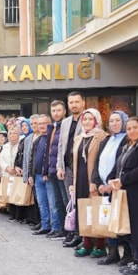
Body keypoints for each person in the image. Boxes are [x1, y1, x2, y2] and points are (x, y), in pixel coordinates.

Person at [108, 117, 138, 275]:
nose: (132, 131)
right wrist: (111, 178)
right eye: (129, 129)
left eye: (135, 127)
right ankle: (136, 260)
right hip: (126, 193)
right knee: (132, 227)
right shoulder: (127, 146)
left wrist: (122, 180)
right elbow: (117, 166)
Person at [91, 111, 129, 265]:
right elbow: (97, 162)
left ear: (124, 121)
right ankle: (112, 252)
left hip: (117, 187)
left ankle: (128, 254)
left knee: (121, 221)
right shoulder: (106, 140)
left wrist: (110, 184)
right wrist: (97, 182)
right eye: (112, 121)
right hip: (103, 187)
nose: (114, 123)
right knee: (107, 220)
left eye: (117, 120)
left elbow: (120, 164)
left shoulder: (127, 139)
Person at [70, 108, 107, 257]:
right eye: (84, 119)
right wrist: (73, 182)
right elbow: (75, 162)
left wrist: (94, 181)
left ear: (96, 120)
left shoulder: (102, 136)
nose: (87, 122)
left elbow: (100, 161)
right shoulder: (79, 137)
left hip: (93, 179)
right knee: (84, 210)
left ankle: (100, 245)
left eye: (90, 119)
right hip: (79, 179)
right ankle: (86, 243)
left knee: (96, 210)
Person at [58, 92, 85, 247]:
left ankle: (82, 235)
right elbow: (61, 145)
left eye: (77, 102)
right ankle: (73, 232)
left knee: (81, 201)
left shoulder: (88, 120)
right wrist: (59, 166)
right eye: (71, 102)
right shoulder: (66, 122)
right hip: (67, 168)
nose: (74, 105)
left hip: (81, 169)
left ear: (83, 103)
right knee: (70, 202)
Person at [46, 101, 68, 240]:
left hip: (63, 170)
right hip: (53, 170)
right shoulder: (53, 127)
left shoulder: (66, 126)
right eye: (53, 111)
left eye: (58, 110)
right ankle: (61, 230)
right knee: (58, 203)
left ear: (64, 111)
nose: (56, 113)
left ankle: (70, 231)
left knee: (67, 202)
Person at [29, 115, 54, 235]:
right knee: (42, 203)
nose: (42, 126)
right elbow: (31, 159)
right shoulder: (38, 140)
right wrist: (30, 174)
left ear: (50, 123)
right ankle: (45, 225)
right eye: (40, 124)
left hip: (49, 176)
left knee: (53, 204)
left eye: (44, 123)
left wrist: (48, 172)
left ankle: (56, 228)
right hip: (37, 176)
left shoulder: (54, 138)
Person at [0, 127, 23, 220]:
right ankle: (12, 213)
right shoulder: (5, 146)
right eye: (11, 133)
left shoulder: (21, 145)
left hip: (17, 173)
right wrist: (7, 168)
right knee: (9, 192)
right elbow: (1, 159)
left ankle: (19, 215)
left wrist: (15, 168)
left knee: (18, 193)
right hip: (7, 173)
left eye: (15, 133)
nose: (12, 135)